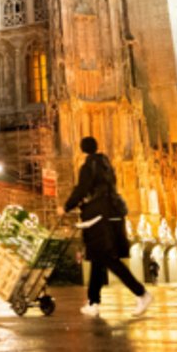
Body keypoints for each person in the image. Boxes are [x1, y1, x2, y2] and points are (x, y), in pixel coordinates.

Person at [63, 135, 150, 318]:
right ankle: (93, 302)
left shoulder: (89, 167)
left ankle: (141, 293)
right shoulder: (106, 166)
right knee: (97, 259)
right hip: (110, 213)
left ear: (83, 149)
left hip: (98, 216)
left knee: (108, 259)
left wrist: (66, 206)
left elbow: (82, 188)